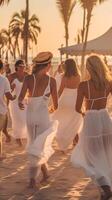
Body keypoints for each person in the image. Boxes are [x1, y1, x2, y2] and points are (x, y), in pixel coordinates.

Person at [71, 55, 112, 200]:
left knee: (91, 156)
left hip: (91, 120)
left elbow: (77, 108)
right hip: (105, 119)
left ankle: (105, 187)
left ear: (89, 68)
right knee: (105, 152)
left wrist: (84, 113)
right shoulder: (109, 83)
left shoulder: (83, 85)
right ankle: (105, 186)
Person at [18, 52, 58, 188]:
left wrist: (21, 103)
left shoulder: (28, 79)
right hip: (43, 117)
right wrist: (49, 108)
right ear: (47, 65)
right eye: (50, 64)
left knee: (35, 145)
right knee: (38, 146)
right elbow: (56, 105)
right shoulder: (52, 81)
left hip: (30, 117)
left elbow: (20, 99)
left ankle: (43, 174)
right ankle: (32, 179)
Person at [53, 59, 82, 152]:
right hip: (75, 101)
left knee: (63, 122)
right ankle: (76, 141)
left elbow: (60, 91)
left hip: (65, 101)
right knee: (75, 122)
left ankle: (63, 142)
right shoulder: (78, 76)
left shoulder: (64, 77)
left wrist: (55, 102)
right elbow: (80, 90)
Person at [8, 60, 28, 146]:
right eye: (20, 66)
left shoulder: (27, 75)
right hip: (14, 101)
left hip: (24, 100)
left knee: (25, 119)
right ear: (16, 67)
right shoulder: (11, 76)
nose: (22, 67)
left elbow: (31, 87)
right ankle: (18, 138)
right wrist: (12, 88)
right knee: (17, 120)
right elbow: (7, 90)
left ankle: (22, 135)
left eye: (23, 65)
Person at [0, 60, 16, 160]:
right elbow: (9, 96)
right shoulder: (4, 79)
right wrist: (14, 96)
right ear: (1, 68)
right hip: (1, 110)